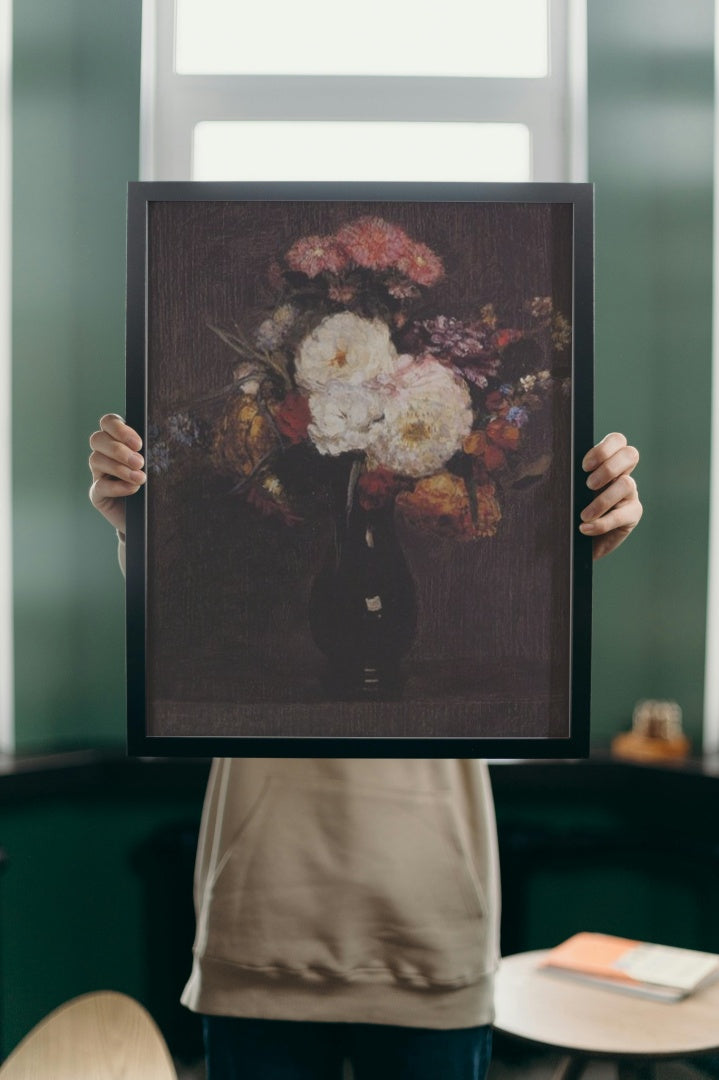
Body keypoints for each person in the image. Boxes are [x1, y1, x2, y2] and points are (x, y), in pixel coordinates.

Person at [89, 415, 642, 1080]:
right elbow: (188, 627)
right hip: (264, 920)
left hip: (431, 924)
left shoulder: (463, 495)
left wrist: (566, 548)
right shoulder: (252, 494)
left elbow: (518, 635)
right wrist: (142, 524)